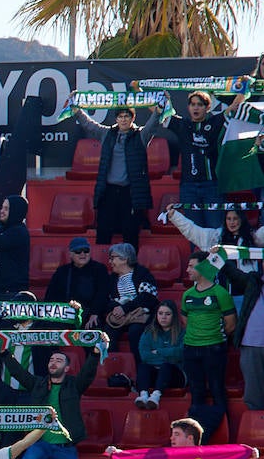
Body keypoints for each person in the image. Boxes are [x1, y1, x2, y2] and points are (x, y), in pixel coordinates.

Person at [0, 346, 102, 459]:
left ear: (67, 368)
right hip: (41, 443)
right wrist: (3, 354)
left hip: (66, 448)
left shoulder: (74, 385)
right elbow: (18, 373)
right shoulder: (38, 383)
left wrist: (95, 353)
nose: (53, 363)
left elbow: (88, 373)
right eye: (51, 360)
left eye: (59, 360)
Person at [151, 90, 246, 228]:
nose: (196, 107)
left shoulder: (216, 121)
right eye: (193, 104)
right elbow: (158, 111)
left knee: (215, 230)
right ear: (188, 107)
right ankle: (197, 252)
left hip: (212, 186)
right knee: (193, 231)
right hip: (188, 187)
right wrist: (137, 90)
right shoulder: (182, 125)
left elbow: (236, 105)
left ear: (208, 107)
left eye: (200, 104)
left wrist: (244, 88)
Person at [71, 105, 152, 248]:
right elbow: (89, 125)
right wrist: (76, 110)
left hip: (130, 192)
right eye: (120, 116)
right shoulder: (107, 134)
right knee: (103, 231)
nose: (123, 120)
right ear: (116, 119)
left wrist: (159, 110)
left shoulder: (141, 135)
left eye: (127, 116)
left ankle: (130, 267)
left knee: (131, 232)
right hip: (108, 191)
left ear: (133, 118)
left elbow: (154, 123)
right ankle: (102, 266)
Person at [179, 252, 236, 441]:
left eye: (191, 266)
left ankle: (225, 435)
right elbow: (185, 320)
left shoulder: (221, 293)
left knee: (217, 388)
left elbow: (230, 324)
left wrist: (212, 336)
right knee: (196, 391)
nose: (187, 270)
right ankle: (194, 437)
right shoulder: (187, 294)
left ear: (204, 268)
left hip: (214, 348)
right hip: (191, 348)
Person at [104, 243, 160, 366]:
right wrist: (116, 308)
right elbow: (106, 299)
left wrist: (125, 308)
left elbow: (148, 297)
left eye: (113, 258)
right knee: (107, 334)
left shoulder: (142, 273)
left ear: (125, 259)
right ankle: (114, 368)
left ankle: (140, 368)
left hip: (139, 317)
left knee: (136, 332)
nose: (110, 261)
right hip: (120, 318)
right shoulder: (112, 278)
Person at [220, 256, 264, 409]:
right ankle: (257, 426)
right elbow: (233, 274)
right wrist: (217, 258)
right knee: (253, 392)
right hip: (251, 343)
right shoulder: (253, 281)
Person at [44, 237, 111, 328]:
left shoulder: (100, 269)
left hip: (90, 314)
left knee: (94, 327)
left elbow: (102, 294)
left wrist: (95, 314)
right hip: (65, 314)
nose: (83, 254)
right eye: (78, 251)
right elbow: (50, 296)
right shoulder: (62, 271)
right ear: (71, 254)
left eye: (86, 250)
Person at [136, 300, 186, 410]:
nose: (163, 317)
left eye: (167, 314)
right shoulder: (149, 332)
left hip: (176, 375)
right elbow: (144, 355)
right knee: (143, 366)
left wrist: (158, 351)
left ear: (174, 316)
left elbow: (180, 354)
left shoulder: (182, 332)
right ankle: (143, 395)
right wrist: (169, 353)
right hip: (155, 374)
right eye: (160, 313)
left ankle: (155, 397)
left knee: (166, 367)